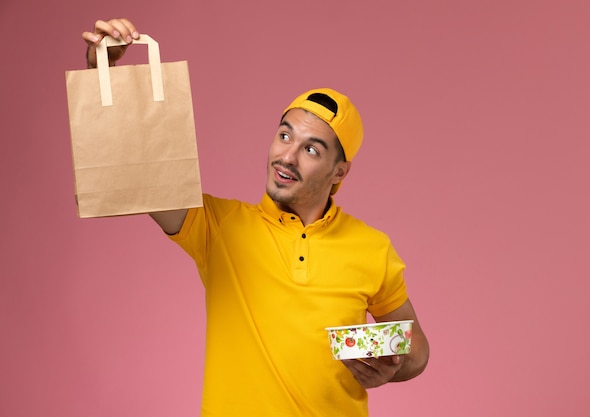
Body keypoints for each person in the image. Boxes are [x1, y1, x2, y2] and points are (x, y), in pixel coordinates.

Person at [82, 18, 429, 417]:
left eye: (312, 150)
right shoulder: (218, 225)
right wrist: (101, 73)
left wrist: (390, 369)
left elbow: (416, 348)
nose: (287, 157)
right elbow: (136, 167)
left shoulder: (371, 247)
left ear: (339, 172)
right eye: (285, 136)